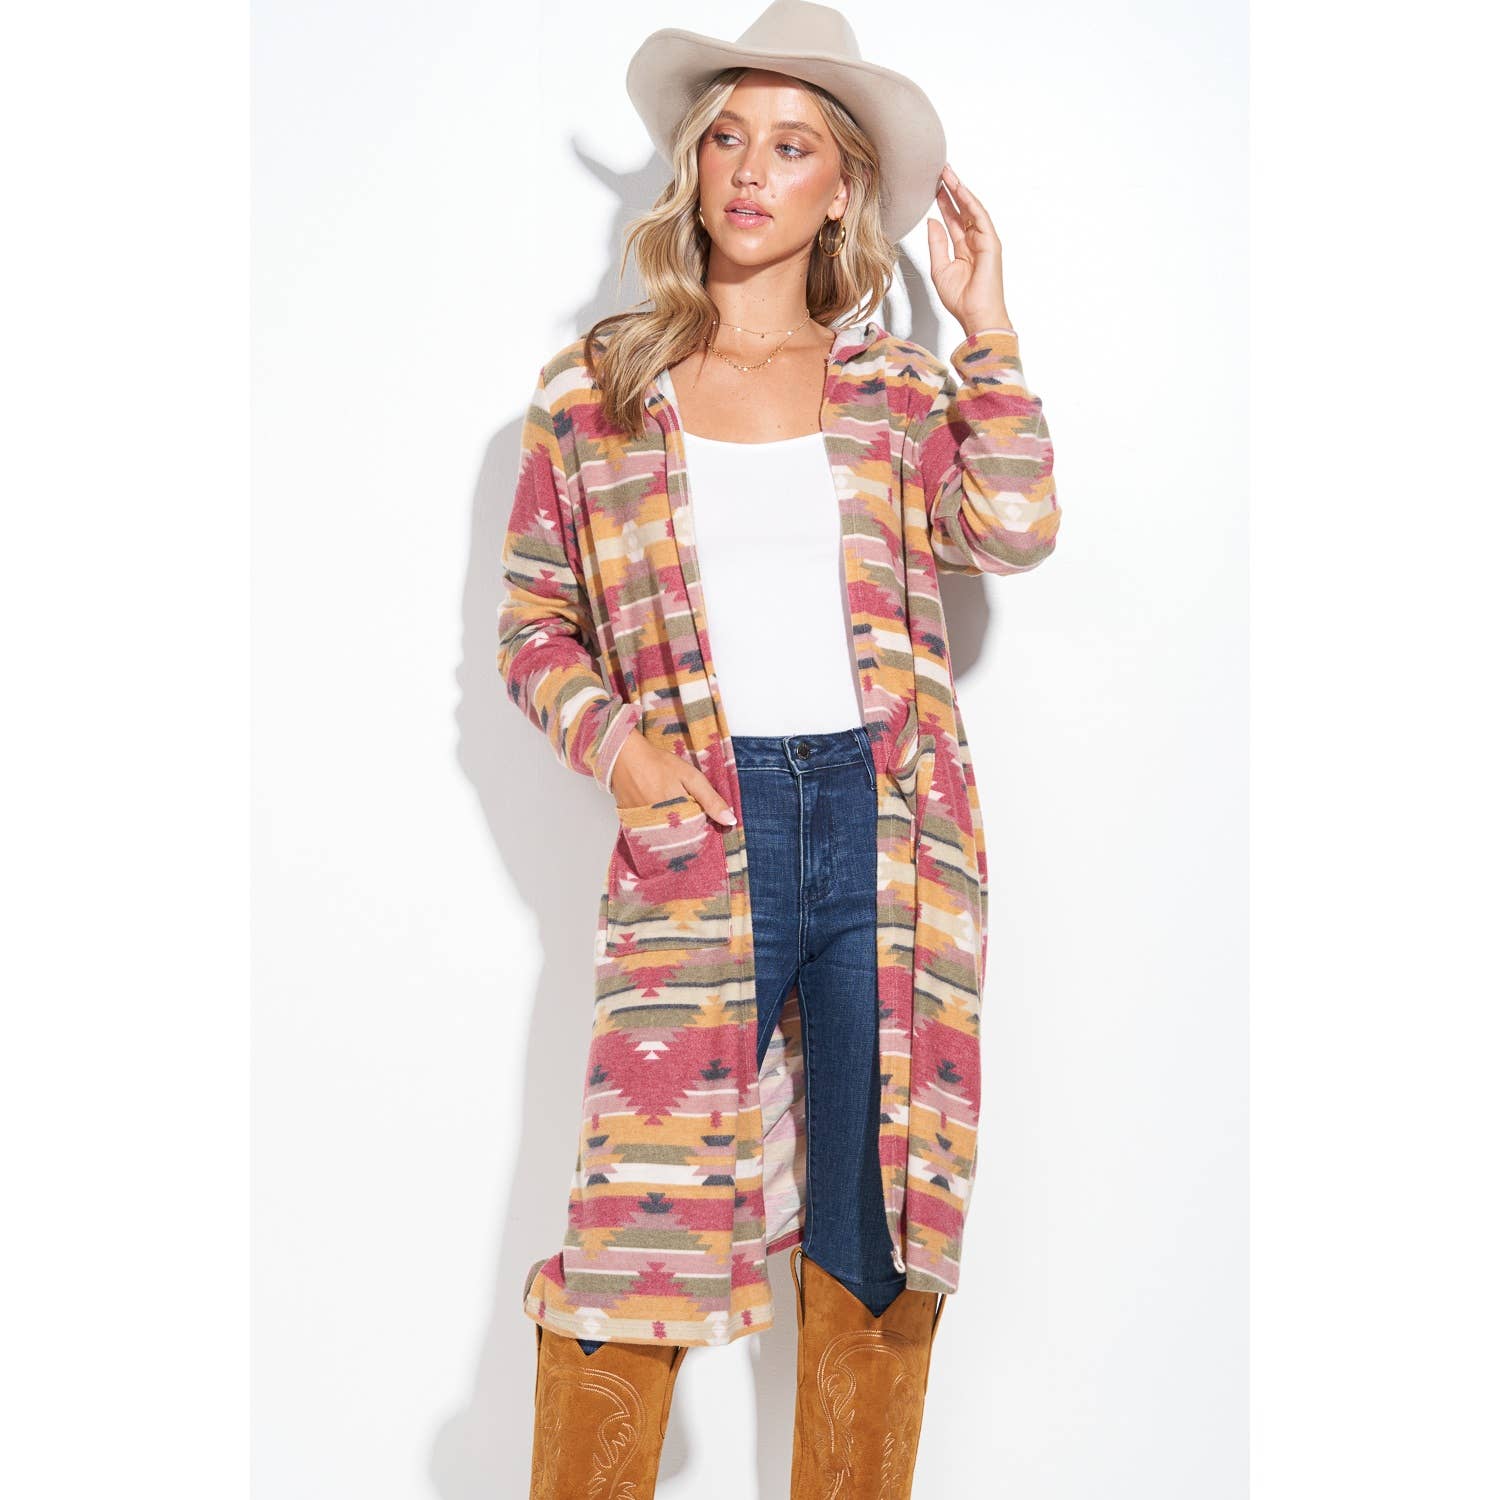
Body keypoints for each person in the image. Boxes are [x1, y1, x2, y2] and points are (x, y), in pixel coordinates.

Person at [499, 3, 1061, 1495]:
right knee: (638, 1231)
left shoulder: (895, 393)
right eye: (729, 138)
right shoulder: (598, 394)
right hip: (703, 833)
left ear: (843, 188)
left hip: (888, 842)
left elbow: (1012, 530)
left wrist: (989, 332)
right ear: (694, 165)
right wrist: (624, 754)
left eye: (794, 145)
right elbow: (534, 627)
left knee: (876, 1230)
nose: (752, 170)